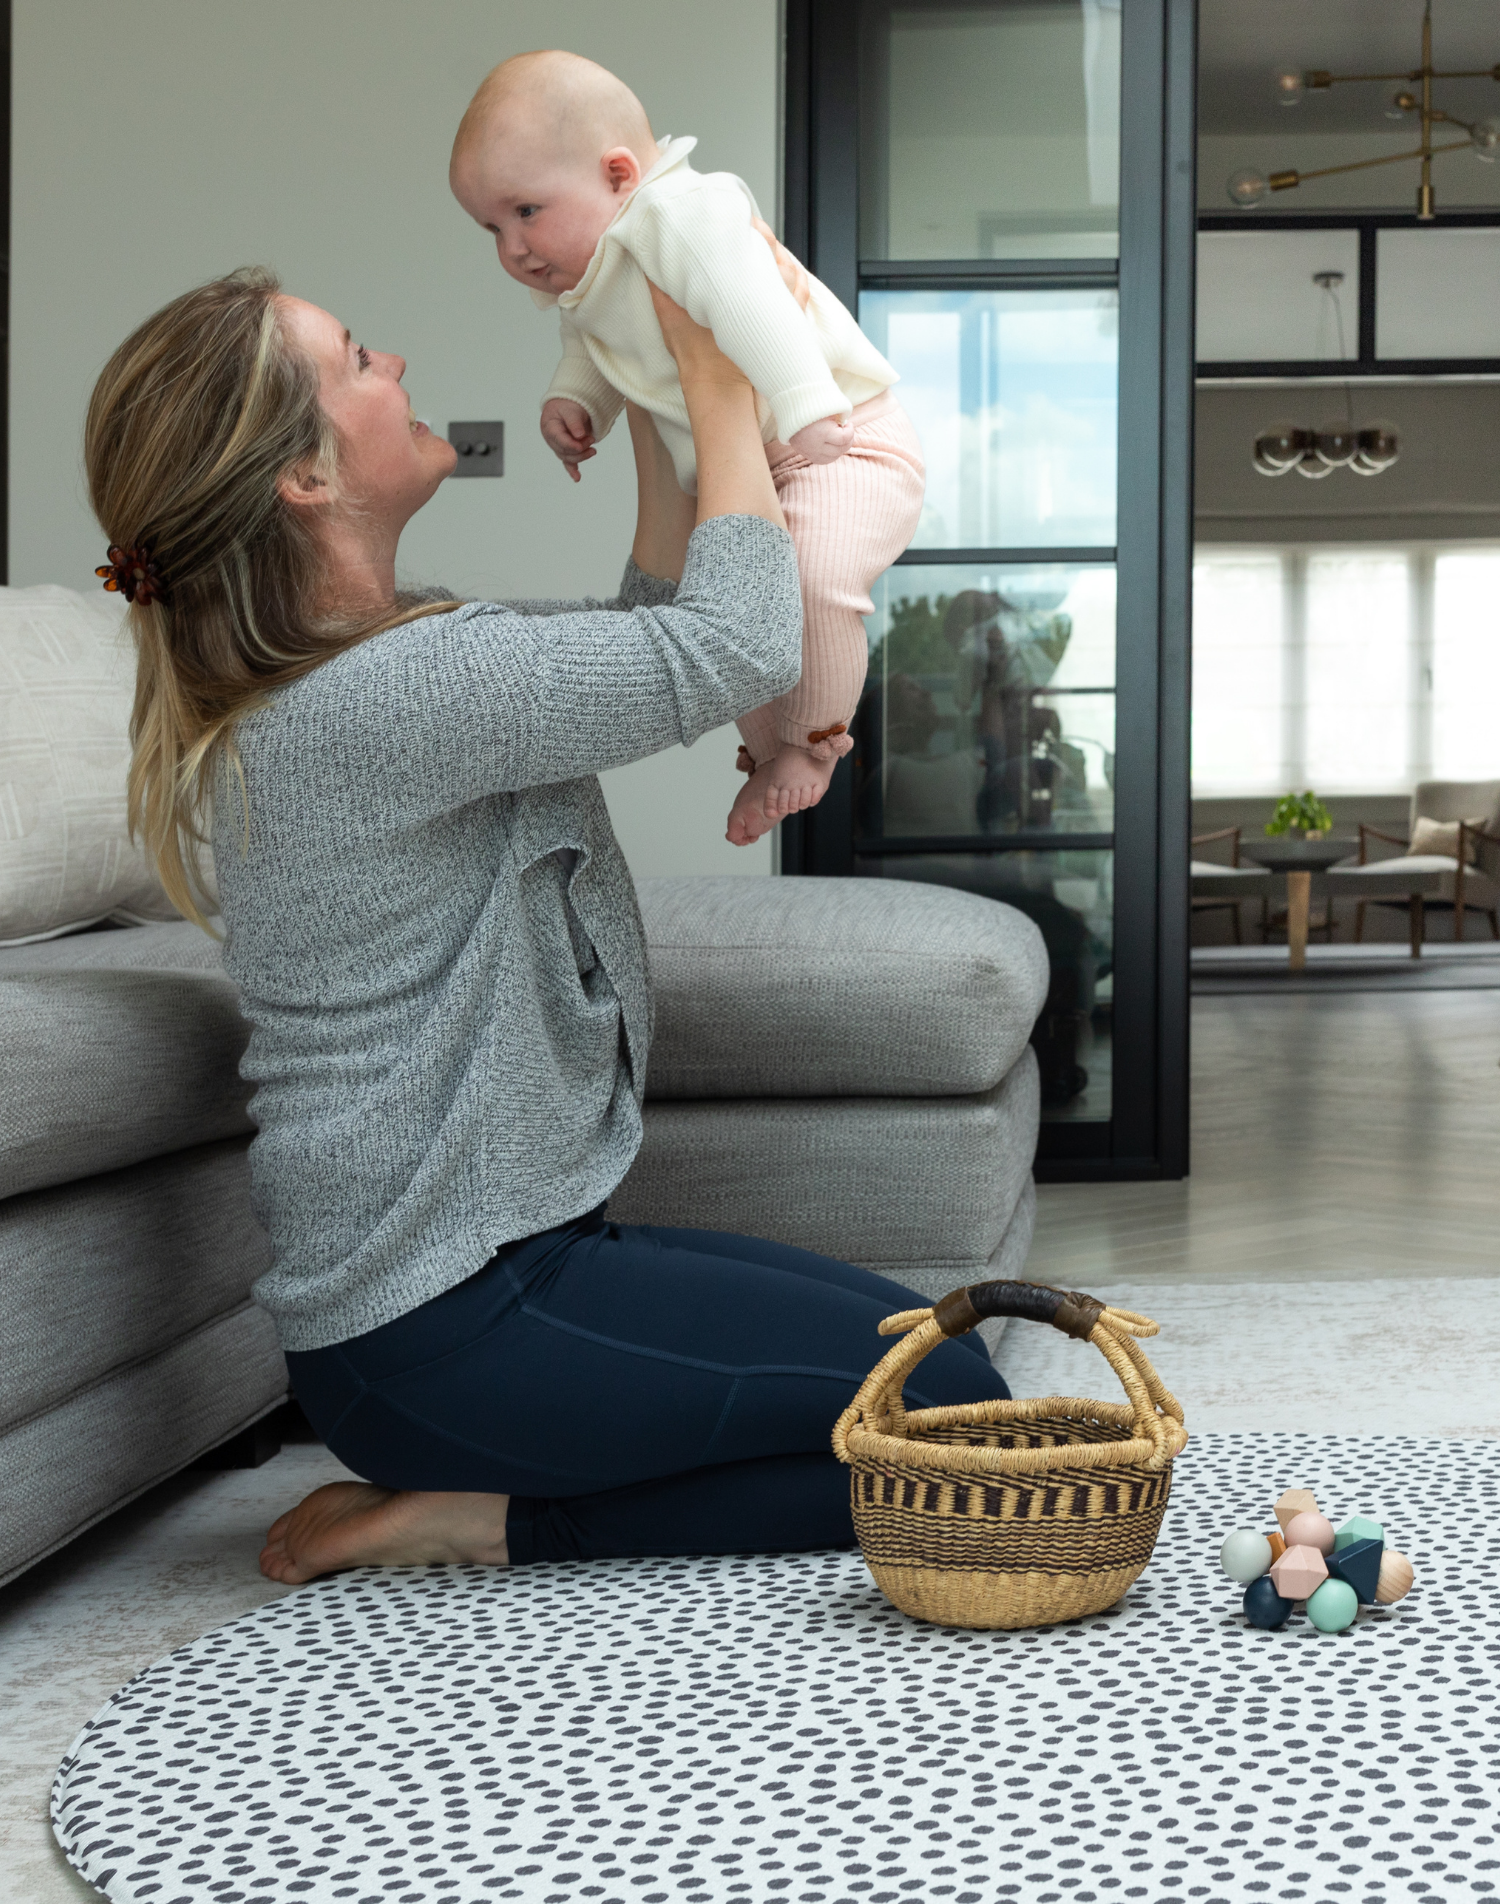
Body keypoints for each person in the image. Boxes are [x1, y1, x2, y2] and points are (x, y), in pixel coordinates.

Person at [85, 263, 1008, 1588]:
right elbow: (736, 648)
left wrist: (652, 407)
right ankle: (494, 1519)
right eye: (355, 359)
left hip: (468, 1311)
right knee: (962, 1419)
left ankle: (500, 1478)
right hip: (455, 1336)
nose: (392, 364)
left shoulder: (382, 670)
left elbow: (648, 643)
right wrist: (718, 370)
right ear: (301, 477)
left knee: (935, 1351)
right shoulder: (390, 694)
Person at [449, 50, 926, 848]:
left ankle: (813, 746)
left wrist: (807, 401)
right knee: (728, 610)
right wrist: (576, 399)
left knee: (815, 584)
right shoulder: (592, 267)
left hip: (842, 444)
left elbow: (750, 306)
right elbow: (597, 343)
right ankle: (769, 752)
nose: (513, 248)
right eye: (492, 227)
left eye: (526, 210)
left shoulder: (680, 213)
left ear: (617, 172)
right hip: (753, 466)